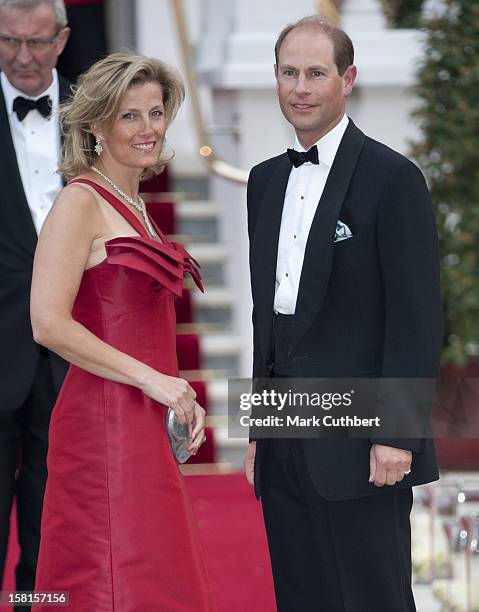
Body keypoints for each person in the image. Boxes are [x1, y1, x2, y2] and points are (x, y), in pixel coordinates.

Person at [244, 16, 443, 612]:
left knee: (372, 597)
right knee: (300, 595)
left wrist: (395, 436)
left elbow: (417, 318)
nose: (300, 88)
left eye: (315, 73)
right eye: (288, 73)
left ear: (347, 78)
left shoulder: (394, 179)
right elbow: (268, 316)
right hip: (283, 434)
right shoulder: (263, 182)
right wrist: (259, 430)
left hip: (363, 442)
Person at [30, 50, 216, 611]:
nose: (147, 128)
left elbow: (144, 327)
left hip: (143, 418)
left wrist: (178, 398)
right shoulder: (78, 202)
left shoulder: (137, 207)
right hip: (104, 423)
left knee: (155, 576)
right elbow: (47, 323)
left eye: (155, 112)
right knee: (113, 581)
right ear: (95, 125)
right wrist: (154, 382)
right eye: (128, 115)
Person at [0, 0, 70, 598]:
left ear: (63, 39)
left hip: (71, 354)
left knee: (53, 520)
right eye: (8, 41)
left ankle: (36, 608)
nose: (23, 57)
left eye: (38, 42)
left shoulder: (98, 116)